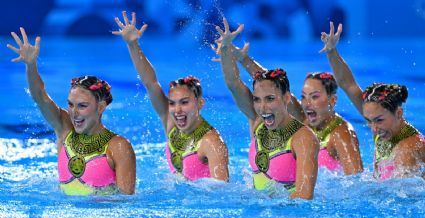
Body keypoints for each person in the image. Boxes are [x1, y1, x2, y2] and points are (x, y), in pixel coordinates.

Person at [212, 24, 363, 175]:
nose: (307, 103)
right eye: (304, 97)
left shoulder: (341, 133)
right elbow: (271, 84)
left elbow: (355, 182)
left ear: (332, 100)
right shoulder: (301, 120)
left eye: (315, 97)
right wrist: (242, 58)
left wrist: (332, 51)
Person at [7, 27, 136, 195]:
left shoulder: (118, 147)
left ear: (101, 107)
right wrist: (31, 65)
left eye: (82, 106)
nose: (74, 113)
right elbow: (40, 97)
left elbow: (126, 203)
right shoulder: (65, 130)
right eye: (71, 104)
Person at [112, 11, 229, 182]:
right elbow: (150, 83)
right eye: (173, 103)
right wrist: (133, 44)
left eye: (184, 102)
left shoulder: (211, 143)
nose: (177, 110)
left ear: (200, 103)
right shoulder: (171, 121)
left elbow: (223, 193)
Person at [216, 18, 318, 199]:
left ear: (286, 98)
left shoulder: (303, 138)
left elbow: (304, 195)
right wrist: (225, 48)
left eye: (270, 99)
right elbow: (233, 83)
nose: (262, 107)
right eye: (257, 99)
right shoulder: (257, 121)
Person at [320, 22, 425, 180]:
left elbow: (399, 199)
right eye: (369, 121)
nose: (374, 129)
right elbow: (347, 84)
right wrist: (331, 51)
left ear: (399, 113)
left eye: (378, 121)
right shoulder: (386, 127)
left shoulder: (408, 148)